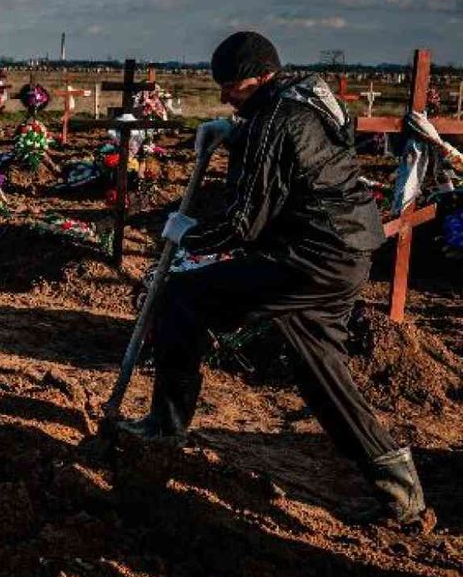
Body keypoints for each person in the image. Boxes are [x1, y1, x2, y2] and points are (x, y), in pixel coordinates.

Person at [121, 31, 428, 528]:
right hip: (345, 251)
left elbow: (245, 222)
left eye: (233, 87)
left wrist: (189, 233)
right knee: (318, 369)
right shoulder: (306, 99)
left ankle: (165, 426)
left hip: (308, 258)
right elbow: (302, 156)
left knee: (181, 296)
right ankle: (399, 489)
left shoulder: (276, 119)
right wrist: (234, 133)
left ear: (262, 76)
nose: (226, 96)